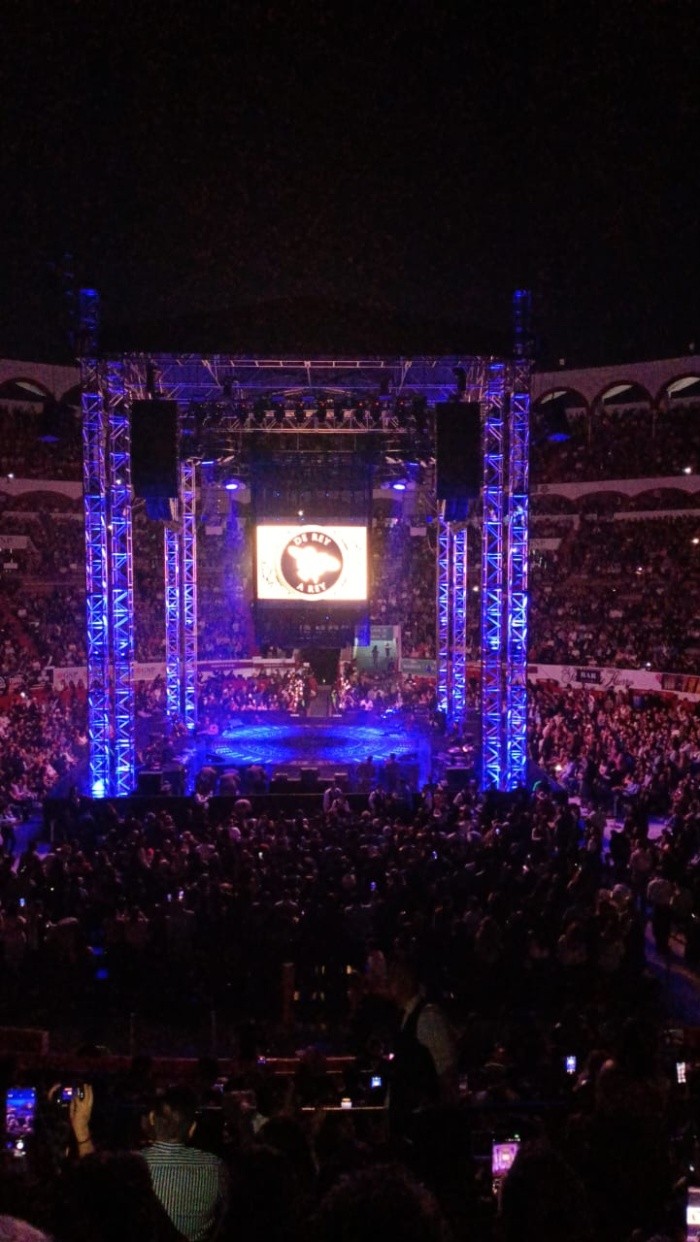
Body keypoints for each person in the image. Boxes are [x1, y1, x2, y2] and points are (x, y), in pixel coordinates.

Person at [387, 958, 457, 1135]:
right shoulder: (404, 1017)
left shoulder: (427, 1018)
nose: (388, 984)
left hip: (424, 1121)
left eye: (393, 977)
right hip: (409, 1116)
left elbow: (445, 1070)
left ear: (405, 980)